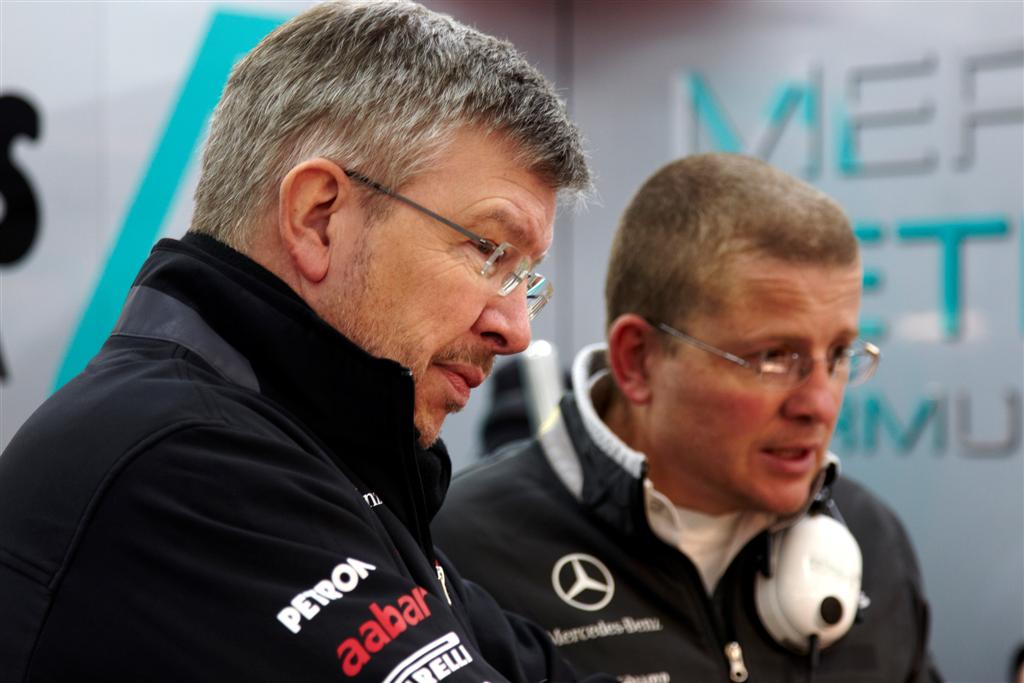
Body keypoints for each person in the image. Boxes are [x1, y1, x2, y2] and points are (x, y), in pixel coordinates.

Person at [0, 3, 618, 681]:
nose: (516, 329)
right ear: (318, 218)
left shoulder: (330, 456)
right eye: (488, 251)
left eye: (524, 278)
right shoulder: (187, 465)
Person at [434, 153, 943, 682]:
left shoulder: (870, 535)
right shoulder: (462, 551)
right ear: (638, 360)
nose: (819, 404)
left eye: (838, 355)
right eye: (774, 358)